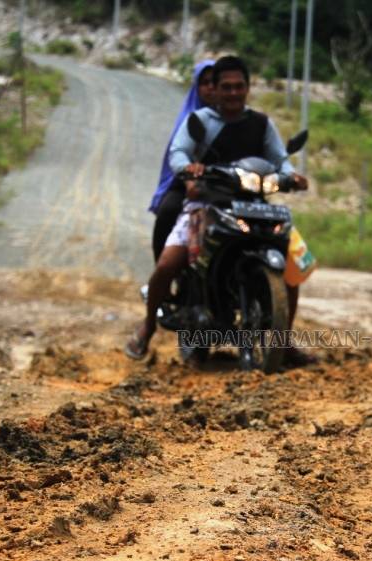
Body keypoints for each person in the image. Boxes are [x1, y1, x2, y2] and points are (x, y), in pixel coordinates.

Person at [125, 55, 314, 366]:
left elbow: (280, 160)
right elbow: (178, 152)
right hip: (207, 205)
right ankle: (148, 327)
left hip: (255, 206)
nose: (233, 93)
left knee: (293, 269)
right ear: (216, 89)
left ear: (248, 88)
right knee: (167, 265)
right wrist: (189, 168)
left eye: (239, 86)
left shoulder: (261, 124)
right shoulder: (200, 121)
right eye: (226, 87)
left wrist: (291, 176)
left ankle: (284, 341)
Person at [147, 59, 217, 265]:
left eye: (215, 82)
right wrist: (188, 172)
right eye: (205, 83)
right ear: (197, 87)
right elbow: (177, 153)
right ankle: (162, 270)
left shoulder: (236, 116)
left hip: (228, 183)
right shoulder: (189, 118)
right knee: (168, 212)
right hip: (189, 181)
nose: (211, 87)